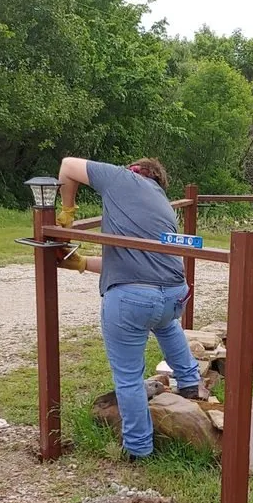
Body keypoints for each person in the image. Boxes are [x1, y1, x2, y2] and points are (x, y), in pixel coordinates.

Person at [56, 156, 201, 460]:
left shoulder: (122, 178)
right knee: (164, 322)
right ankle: (189, 382)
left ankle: (138, 449)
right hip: (173, 295)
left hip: (132, 299)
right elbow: (135, 264)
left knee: (129, 378)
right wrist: (82, 264)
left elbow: (68, 166)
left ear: (135, 170)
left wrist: (67, 211)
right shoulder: (159, 199)